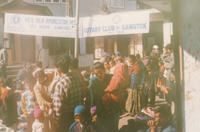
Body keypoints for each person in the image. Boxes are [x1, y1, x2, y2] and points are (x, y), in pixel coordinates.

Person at [53, 53, 84, 132]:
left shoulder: (60, 85)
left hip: (65, 120)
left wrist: (57, 122)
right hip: (78, 118)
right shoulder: (77, 81)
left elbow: (58, 109)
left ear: (58, 70)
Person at [90, 62, 120, 132]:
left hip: (114, 108)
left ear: (104, 69)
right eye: (96, 74)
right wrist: (92, 108)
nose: (99, 75)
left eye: (100, 72)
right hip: (101, 110)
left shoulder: (111, 78)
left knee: (113, 128)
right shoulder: (94, 83)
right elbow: (93, 97)